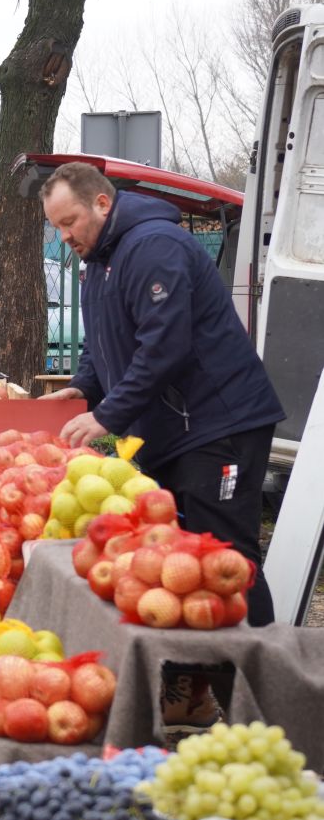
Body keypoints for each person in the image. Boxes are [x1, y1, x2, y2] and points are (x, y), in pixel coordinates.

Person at [39, 161, 284, 626]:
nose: (65, 237)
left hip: (220, 425)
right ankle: (205, 680)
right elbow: (102, 342)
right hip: (173, 431)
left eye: (69, 222)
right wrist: (81, 387)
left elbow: (164, 346)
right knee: (183, 562)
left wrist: (107, 414)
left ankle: (261, 674)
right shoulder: (98, 262)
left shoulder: (154, 247)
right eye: (57, 227)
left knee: (226, 556)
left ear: (102, 203)